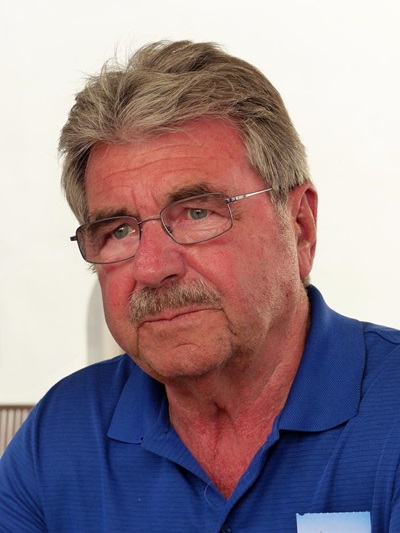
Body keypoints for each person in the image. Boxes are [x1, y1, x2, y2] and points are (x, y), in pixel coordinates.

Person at [0, 40, 399, 533]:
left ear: (299, 226)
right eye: (119, 230)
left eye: (196, 213)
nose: (152, 267)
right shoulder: (61, 435)